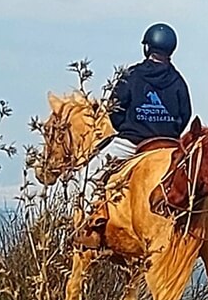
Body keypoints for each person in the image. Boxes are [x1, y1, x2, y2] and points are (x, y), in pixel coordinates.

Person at [82, 22, 192, 189]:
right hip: (168, 147)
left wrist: (130, 128)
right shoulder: (179, 81)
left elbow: (114, 110)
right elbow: (185, 115)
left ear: (147, 47)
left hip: (131, 144)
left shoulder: (132, 76)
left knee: (88, 176)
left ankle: (93, 213)